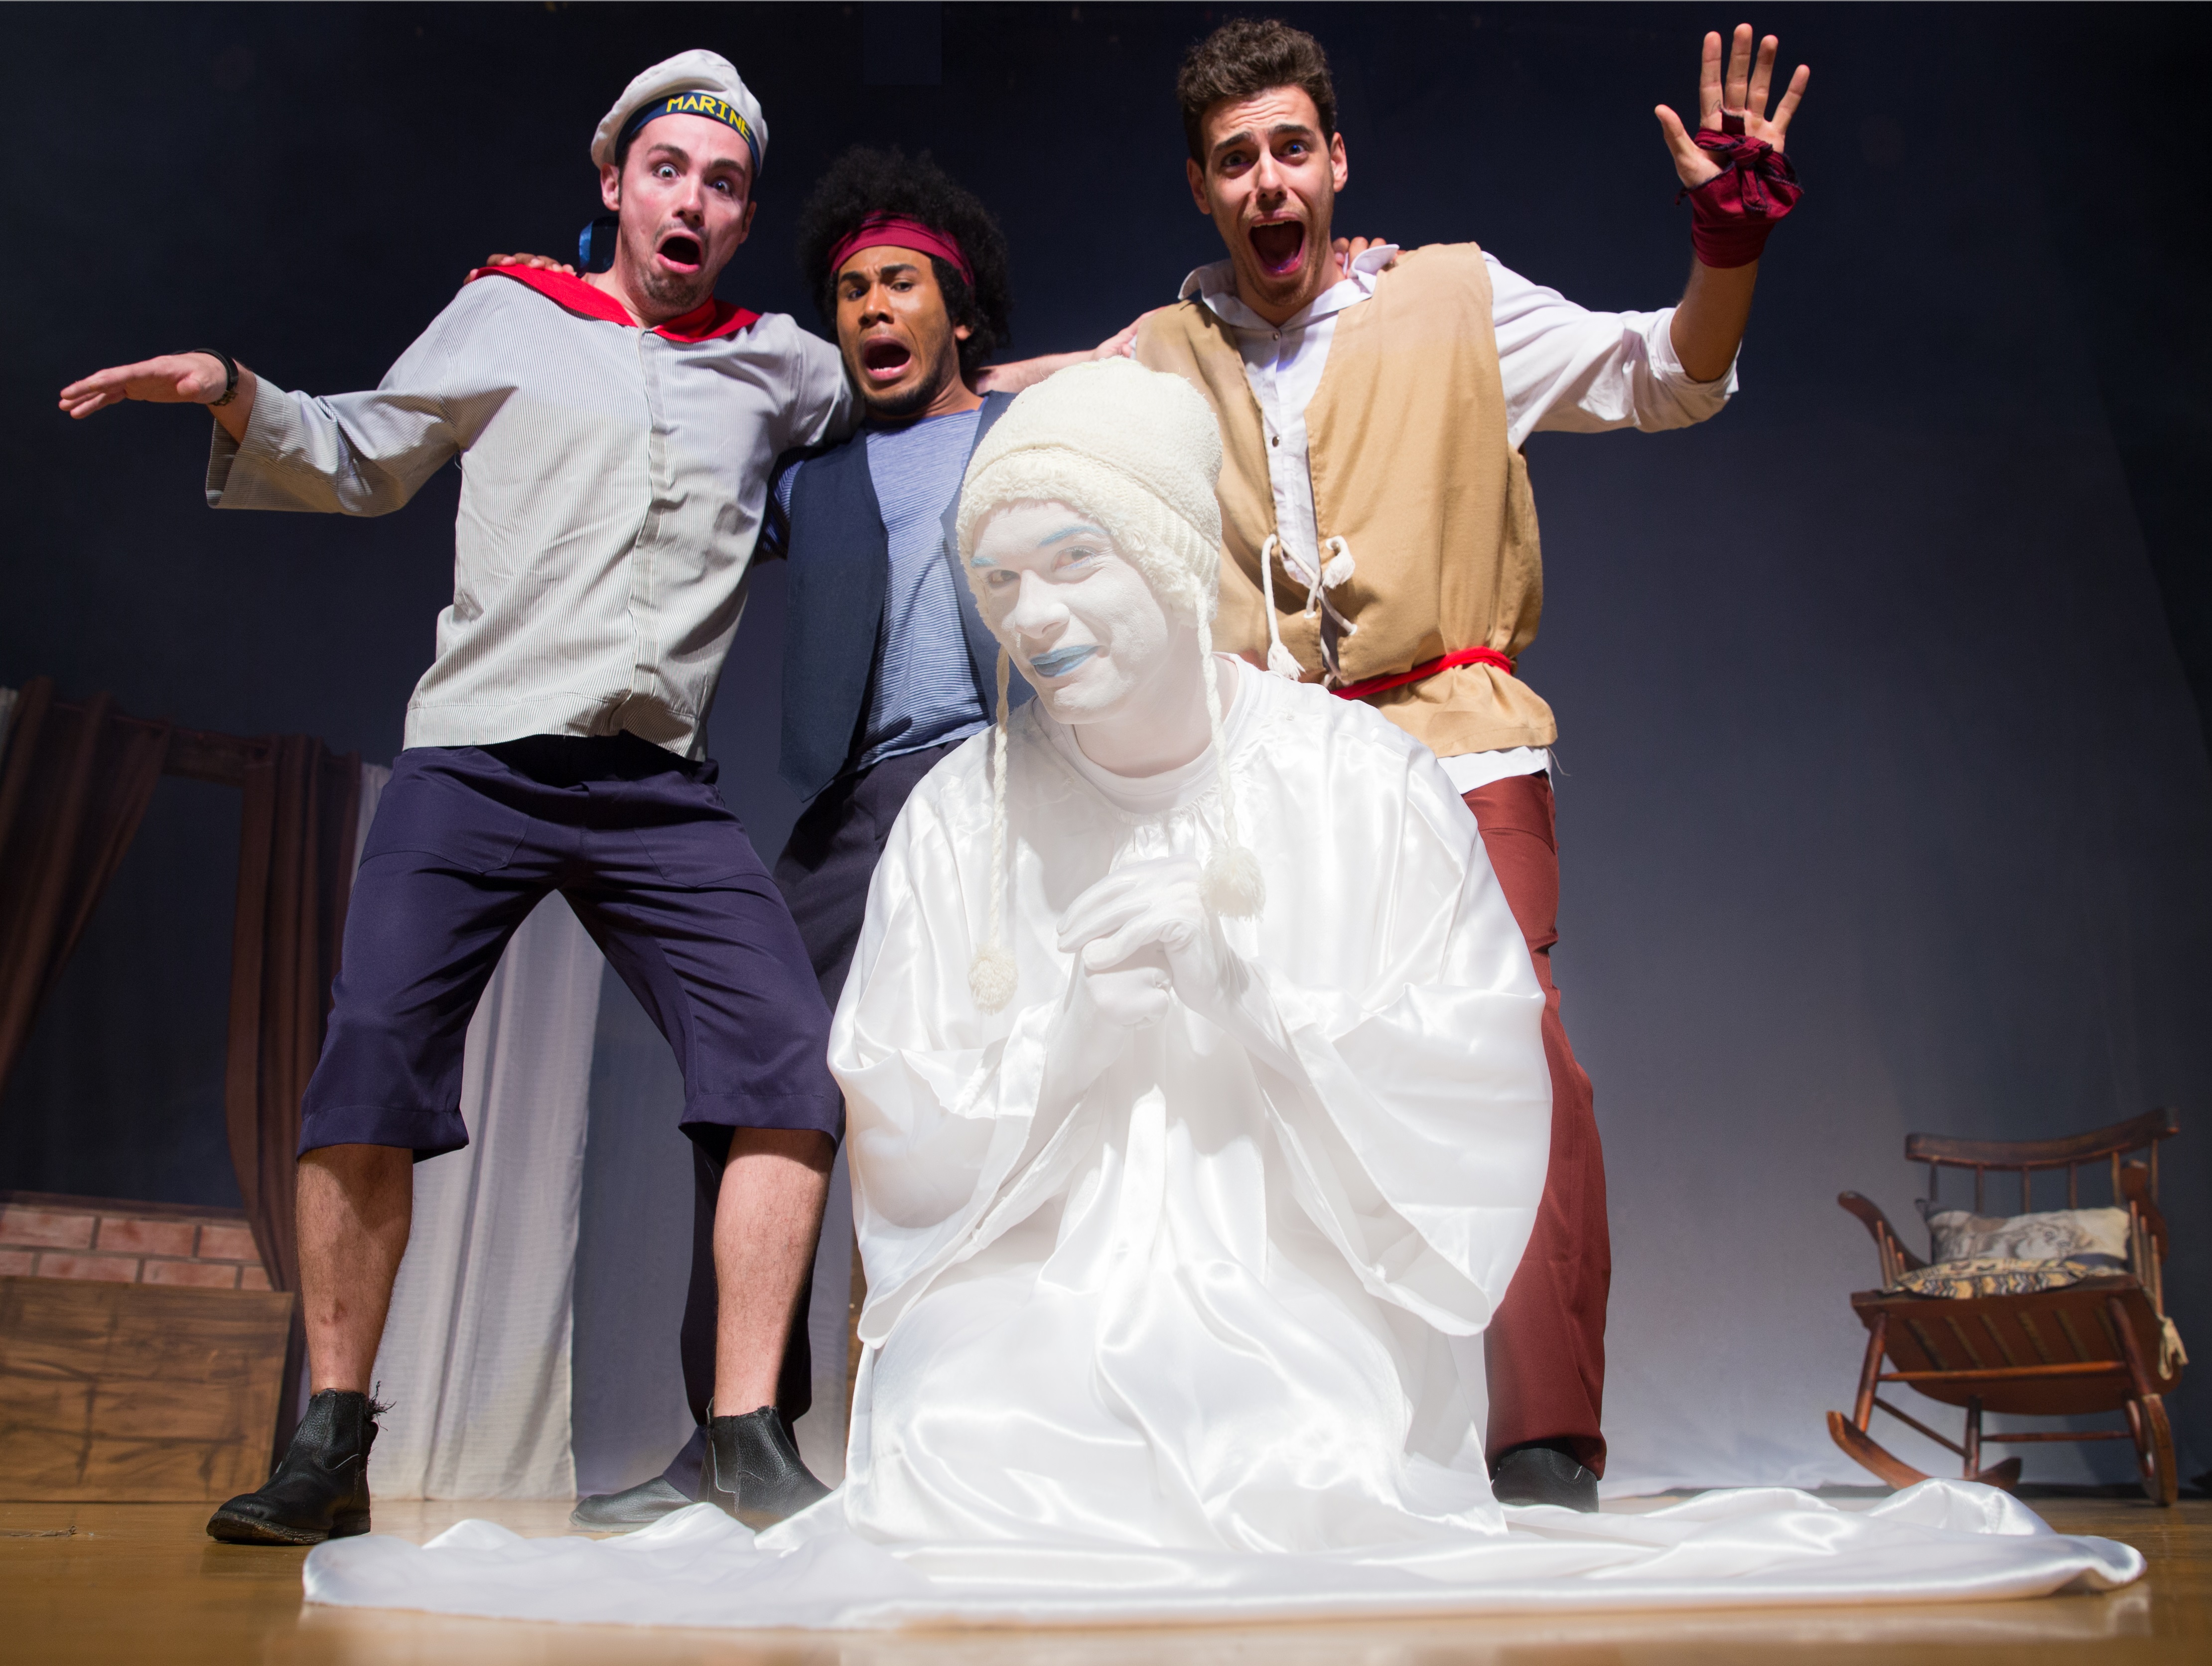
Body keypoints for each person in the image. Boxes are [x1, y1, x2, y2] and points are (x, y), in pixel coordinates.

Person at [299, 363, 2140, 1627]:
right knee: (987, 1440)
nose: (1034, 615)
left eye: (1073, 559)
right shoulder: (962, 814)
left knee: (1287, 1446)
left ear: (1177, 554)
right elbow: (902, 1113)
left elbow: (1469, 1080)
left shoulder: (1364, 787)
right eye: (998, 579)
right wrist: (1071, 1038)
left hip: (1302, 1290)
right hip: (1032, 1286)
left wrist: (1252, 999)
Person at [57, 49, 859, 1543]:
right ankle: (331, 1443)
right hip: (479, 759)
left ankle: (748, 1434)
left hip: (658, 787)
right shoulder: (511, 312)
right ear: (615, 183)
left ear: (746, 219)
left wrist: (1107, 355)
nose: (692, 202)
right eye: (668, 172)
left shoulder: (780, 363)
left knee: (788, 1068)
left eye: (724, 184)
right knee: (369, 1057)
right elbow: (363, 452)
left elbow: (920, 377)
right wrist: (233, 390)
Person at [1116, 17, 1811, 1509]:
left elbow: (1668, 373)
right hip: (1276, 786)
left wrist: (1728, 245)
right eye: (1234, 160)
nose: (1266, 181)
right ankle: (1311, 1440)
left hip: (1457, 752)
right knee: (1255, 1086)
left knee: (1518, 1057)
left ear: (1337, 160)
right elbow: (1024, 405)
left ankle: (1544, 1443)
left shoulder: (1451, 297)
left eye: (1290, 148)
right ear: (1201, 189)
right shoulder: (1164, 355)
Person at [569, 146, 1050, 1530]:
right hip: (854, 805)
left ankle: (1004, 1442)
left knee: (1012, 1105)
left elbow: (1162, 365)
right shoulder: (816, 475)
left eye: (900, 283)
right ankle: (736, 1432)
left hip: (1007, 789)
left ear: (959, 307)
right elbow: (685, 465)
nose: (872, 309)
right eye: (849, 292)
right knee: (753, 1078)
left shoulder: (1026, 431)